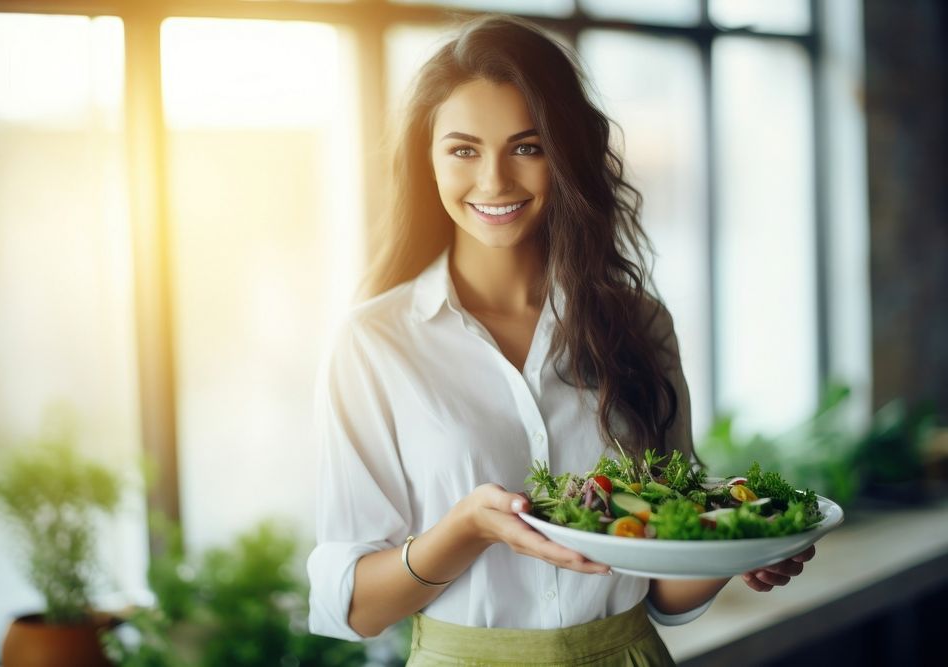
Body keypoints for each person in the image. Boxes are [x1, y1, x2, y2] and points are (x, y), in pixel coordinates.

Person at [307, 14, 814, 666]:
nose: (494, 181)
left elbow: (663, 591)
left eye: (527, 146)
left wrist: (738, 546)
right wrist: (466, 529)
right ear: (426, 160)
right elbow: (355, 607)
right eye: (463, 149)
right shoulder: (374, 344)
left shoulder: (640, 325)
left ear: (566, 153)